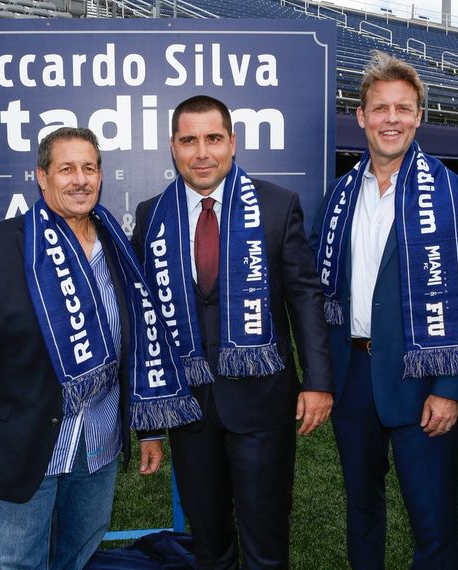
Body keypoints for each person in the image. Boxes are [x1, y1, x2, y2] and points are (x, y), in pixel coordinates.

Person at [0, 127, 200, 569]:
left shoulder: (119, 249)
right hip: (18, 449)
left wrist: (148, 427)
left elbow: (137, 348)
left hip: (96, 447)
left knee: (76, 559)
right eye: (66, 169)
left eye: (89, 168)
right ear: (41, 177)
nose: (80, 179)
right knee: (12, 564)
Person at [131, 95, 333, 569]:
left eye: (213, 139)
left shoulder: (278, 206)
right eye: (189, 140)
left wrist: (318, 381)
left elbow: (305, 297)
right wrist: (149, 422)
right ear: (173, 147)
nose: (202, 152)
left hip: (262, 404)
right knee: (209, 543)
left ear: (232, 143)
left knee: (265, 542)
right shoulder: (151, 216)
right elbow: (146, 326)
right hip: (188, 409)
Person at [313, 51, 458, 569]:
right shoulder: (337, 196)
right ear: (360, 117)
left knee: (433, 523)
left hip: (422, 377)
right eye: (380, 108)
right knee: (362, 513)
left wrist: (449, 389)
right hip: (353, 376)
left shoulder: (457, 196)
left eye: (403, 108)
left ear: (419, 117)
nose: (391, 119)